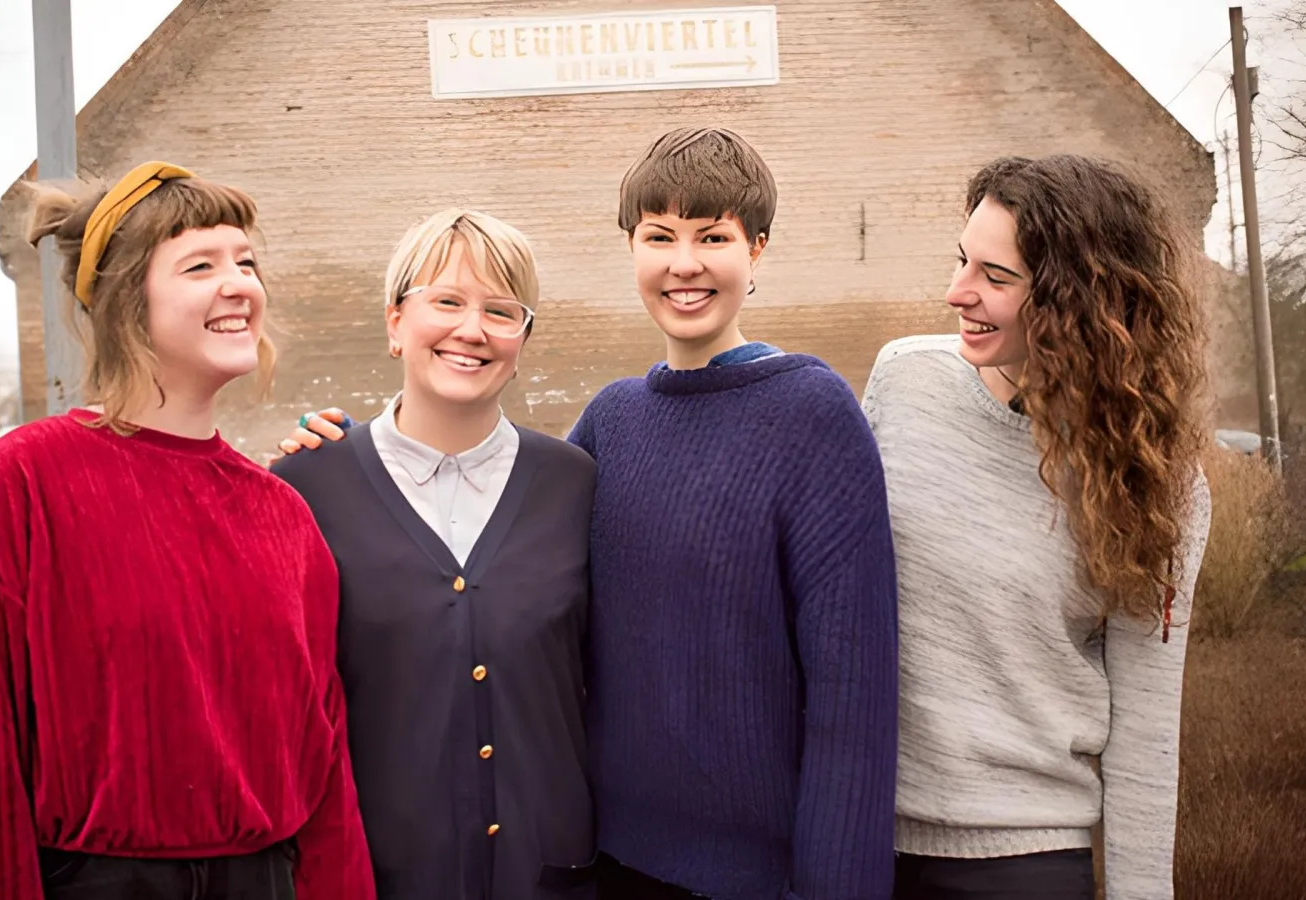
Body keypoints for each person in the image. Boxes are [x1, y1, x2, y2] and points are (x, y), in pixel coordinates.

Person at [280, 127, 900, 900]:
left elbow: (855, 696)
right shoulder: (610, 425)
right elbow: (505, 546)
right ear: (631, 247)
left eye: (713, 237)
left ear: (759, 250)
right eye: (660, 236)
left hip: (755, 877)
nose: (684, 263)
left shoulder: (812, 413)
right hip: (607, 863)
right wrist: (337, 450)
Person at [0, 161, 374, 900]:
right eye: (201, 265)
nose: (240, 285)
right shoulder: (20, 486)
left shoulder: (283, 515)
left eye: (246, 263)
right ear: (129, 301)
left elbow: (324, 773)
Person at [865, 154, 1212, 900]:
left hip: (1027, 864)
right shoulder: (904, 380)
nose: (958, 293)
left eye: (997, 277)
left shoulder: (1158, 483)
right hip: (864, 844)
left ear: (1079, 303)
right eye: (963, 261)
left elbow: (1147, 737)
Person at [269, 209, 599, 900]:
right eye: (446, 301)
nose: (471, 330)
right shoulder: (306, 488)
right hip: (375, 879)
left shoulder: (577, 485)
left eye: (501, 311)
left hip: (548, 878)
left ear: (524, 337)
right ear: (395, 322)